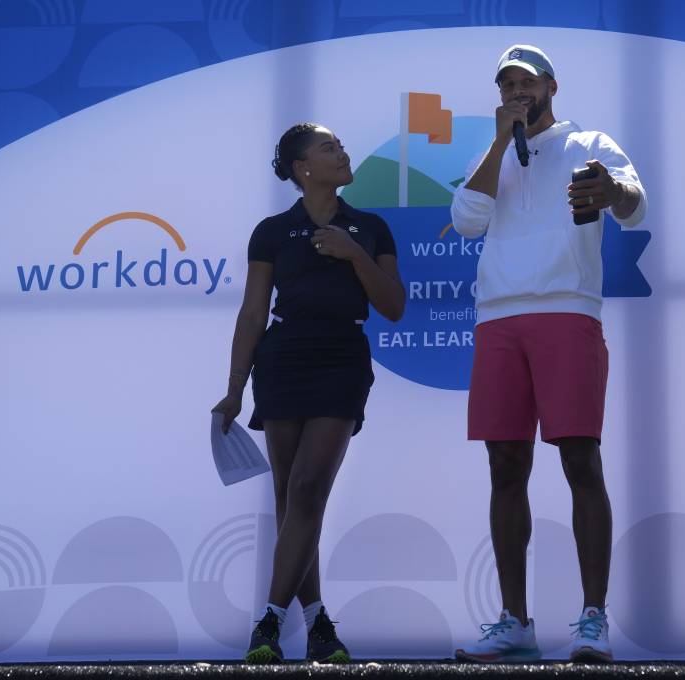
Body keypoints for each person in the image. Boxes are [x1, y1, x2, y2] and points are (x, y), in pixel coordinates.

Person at [450, 45, 647, 663]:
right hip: (499, 320)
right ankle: (514, 620)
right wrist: (499, 143)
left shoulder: (590, 142)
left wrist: (611, 188)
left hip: (568, 312)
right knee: (505, 468)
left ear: (551, 87)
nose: (517, 92)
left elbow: (635, 206)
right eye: (507, 84)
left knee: (579, 462)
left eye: (526, 83)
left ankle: (593, 620)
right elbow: (465, 222)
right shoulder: (493, 156)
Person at [211, 123, 405, 664]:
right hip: (282, 360)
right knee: (290, 498)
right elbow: (253, 313)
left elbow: (393, 305)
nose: (342, 153)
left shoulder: (370, 227)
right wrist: (233, 391)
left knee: (310, 485)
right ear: (303, 169)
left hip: (341, 358)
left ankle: (268, 621)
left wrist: (353, 254)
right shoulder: (272, 231)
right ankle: (318, 623)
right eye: (329, 148)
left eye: (340, 146)